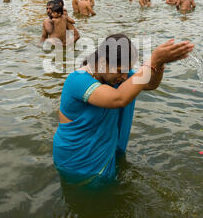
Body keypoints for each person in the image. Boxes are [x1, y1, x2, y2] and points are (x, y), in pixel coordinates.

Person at [53, 34, 194, 185]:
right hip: (77, 160)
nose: (124, 76)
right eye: (120, 70)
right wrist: (152, 61)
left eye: (127, 70)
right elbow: (118, 98)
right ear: (101, 62)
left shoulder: (117, 76)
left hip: (102, 152)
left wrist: (158, 65)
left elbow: (151, 84)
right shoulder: (77, 79)